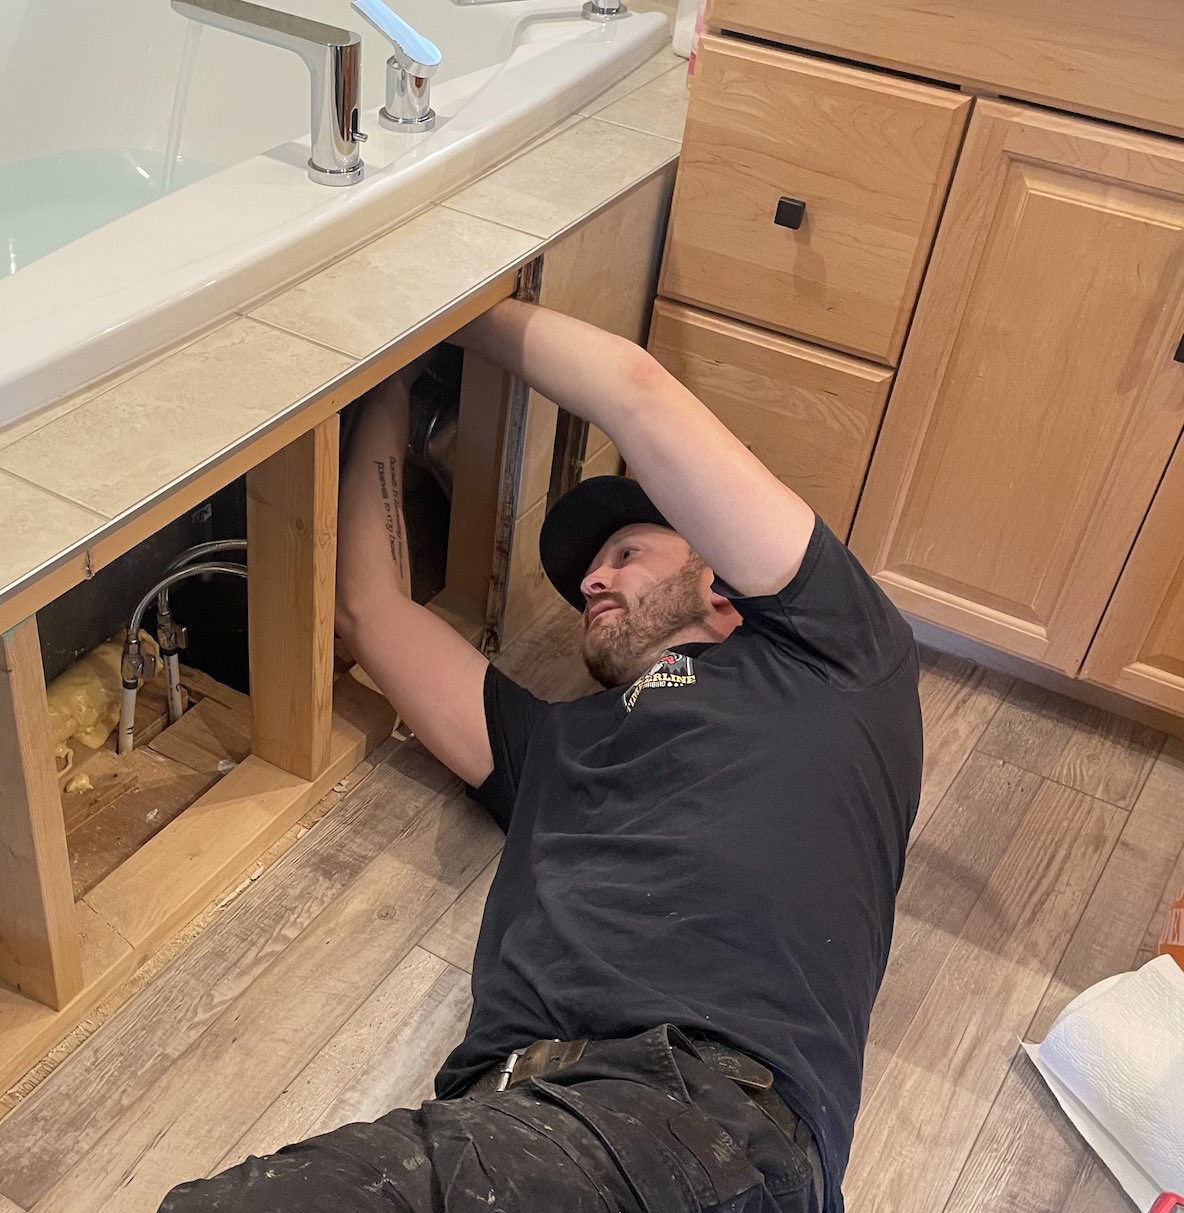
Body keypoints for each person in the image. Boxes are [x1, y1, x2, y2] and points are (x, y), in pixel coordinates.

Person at [160, 299, 923, 1213]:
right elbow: (368, 605)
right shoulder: (552, 746)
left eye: (628, 552)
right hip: (527, 1125)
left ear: (716, 572)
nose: (593, 580)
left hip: (695, 1120)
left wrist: (438, 305)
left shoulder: (838, 659)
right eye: (588, 575)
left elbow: (635, 391)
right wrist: (390, 384)